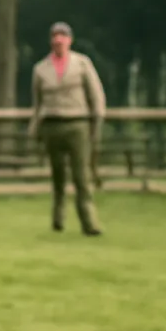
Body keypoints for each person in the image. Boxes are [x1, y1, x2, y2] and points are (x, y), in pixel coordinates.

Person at [28, 22, 105, 235]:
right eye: (54, 36)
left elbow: (96, 94)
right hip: (52, 124)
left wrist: (97, 120)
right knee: (58, 176)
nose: (58, 40)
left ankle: (89, 223)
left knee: (82, 177)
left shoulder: (82, 64)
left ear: (69, 40)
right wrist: (34, 129)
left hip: (77, 123)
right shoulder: (40, 69)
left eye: (62, 36)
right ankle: (58, 220)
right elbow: (37, 103)